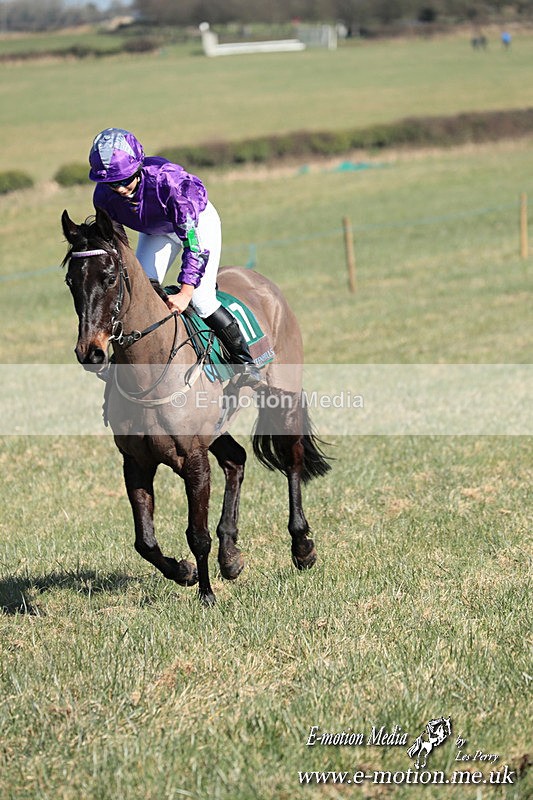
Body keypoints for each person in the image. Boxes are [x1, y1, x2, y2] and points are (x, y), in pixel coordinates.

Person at [88, 127, 262, 384]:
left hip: (197, 225)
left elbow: (194, 244)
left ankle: (245, 364)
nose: (121, 189)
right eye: (113, 183)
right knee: (136, 293)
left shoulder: (170, 183)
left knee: (202, 299)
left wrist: (185, 293)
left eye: (126, 180)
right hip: (155, 231)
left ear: (137, 168)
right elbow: (117, 245)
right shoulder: (103, 197)